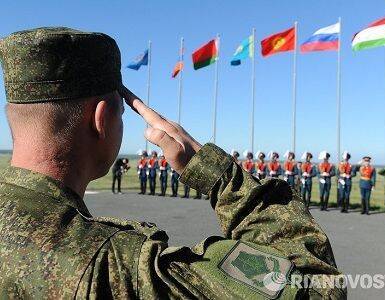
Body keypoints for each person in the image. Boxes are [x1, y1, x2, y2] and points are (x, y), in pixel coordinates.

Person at [0, 27, 345, 298]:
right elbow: (313, 287)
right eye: (122, 114)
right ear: (102, 120)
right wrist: (218, 175)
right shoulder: (123, 267)